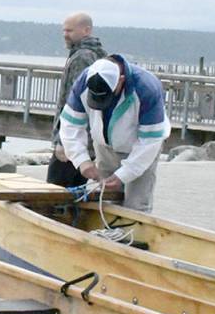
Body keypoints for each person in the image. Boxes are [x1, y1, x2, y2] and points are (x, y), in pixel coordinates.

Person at [59, 55, 170, 212]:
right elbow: (70, 124)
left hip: (142, 147)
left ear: (121, 80)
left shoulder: (147, 88)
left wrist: (124, 175)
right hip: (104, 146)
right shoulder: (84, 81)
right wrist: (82, 160)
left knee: (136, 205)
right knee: (106, 201)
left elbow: (150, 141)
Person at [47, 12, 107, 187]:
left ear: (86, 30)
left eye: (70, 31)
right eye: (64, 30)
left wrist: (62, 141)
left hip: (73, 139)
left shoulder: (82, 58)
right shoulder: (98, 54)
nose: (65, 34)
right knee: (76, 189)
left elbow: (75, 102)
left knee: (54, 190)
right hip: (87, 140)